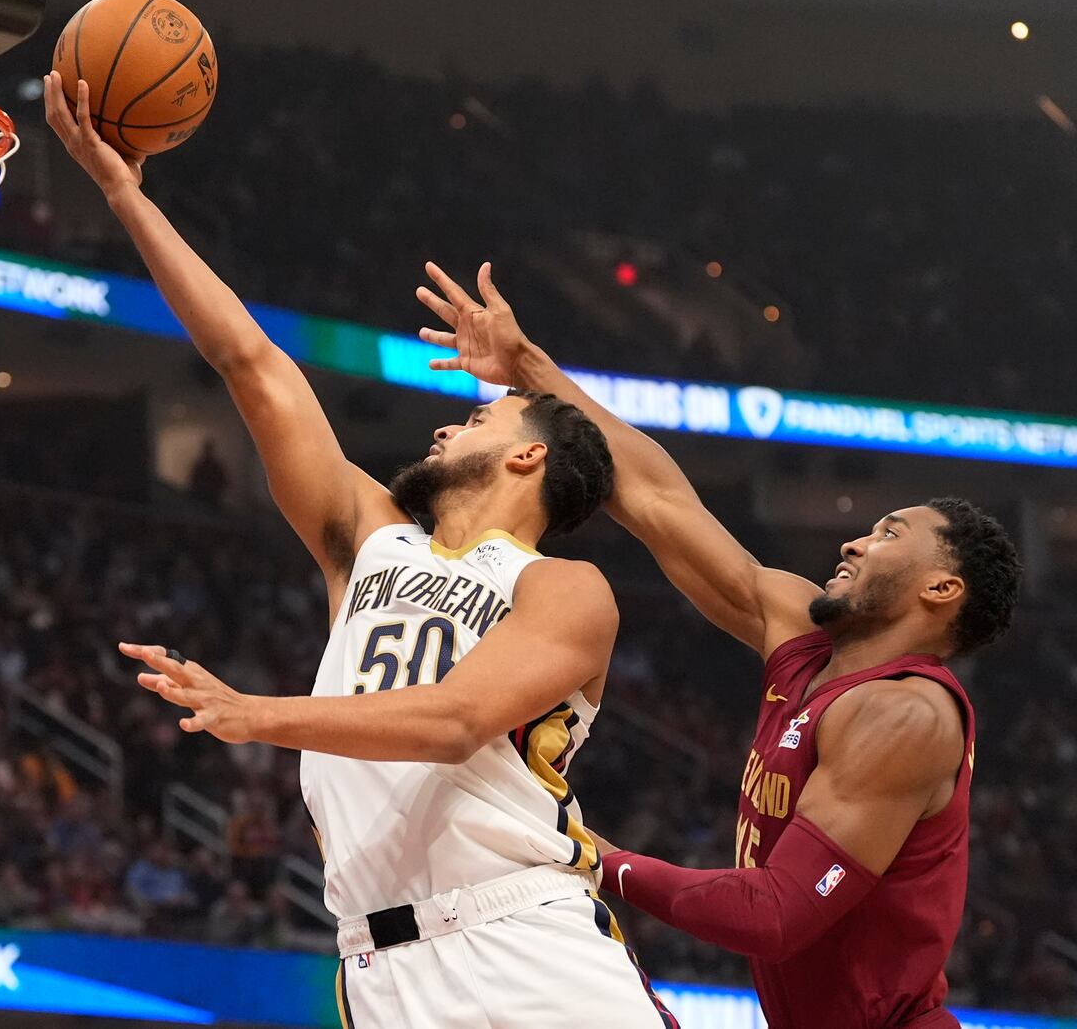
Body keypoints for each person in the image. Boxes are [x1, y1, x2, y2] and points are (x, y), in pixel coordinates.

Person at [45, 74, 676, 1029]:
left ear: (527, 452)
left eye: (475, 415)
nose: (442, 431)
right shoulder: (371, 537)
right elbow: (251, 363)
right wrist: (125, 194)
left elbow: (458, 719)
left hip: (521, 945)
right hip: (375, 969)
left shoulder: (565, 589)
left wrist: (258, 714)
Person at [415, 262, 1025, 1029]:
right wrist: (530, 370)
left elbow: (776, 914)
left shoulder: (907, 717)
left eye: (888, 534)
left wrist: (602, 861)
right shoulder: (802, 631)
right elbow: (657, 500)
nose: (855, 540)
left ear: (941, 590)